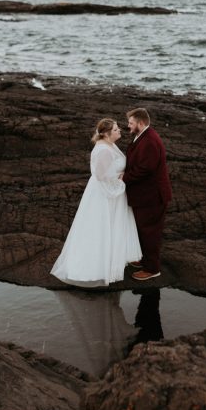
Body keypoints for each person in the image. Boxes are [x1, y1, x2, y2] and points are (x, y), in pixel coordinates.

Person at [51, 118, 142, 287]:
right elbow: (101, 176)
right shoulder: (103, 150)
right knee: (101, 226)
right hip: (105, 194)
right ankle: (96, 266)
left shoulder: (109, 145)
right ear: (107, 134)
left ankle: (113, 258)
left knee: (111, 225)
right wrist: (120, 183)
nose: (119, 131)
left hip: (111, 192)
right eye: (115, 130)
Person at [123, 108, 172, 281]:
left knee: (150, 232)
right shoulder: (142, 135)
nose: (128, 126)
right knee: (143, 230)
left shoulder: (150, 140)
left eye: (131, 123)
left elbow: (146, 169)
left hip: (153, 197)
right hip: (146, 195)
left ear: (141, 123)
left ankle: (152, 269)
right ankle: (144, 259)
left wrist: (124, 177)